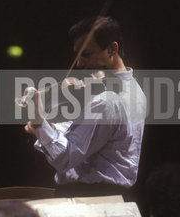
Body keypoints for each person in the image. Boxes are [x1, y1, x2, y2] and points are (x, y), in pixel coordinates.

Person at [23, 16, 146, 199]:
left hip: (90, 198)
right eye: (77, 56)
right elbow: (85, 131)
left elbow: (65, 157)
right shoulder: (136, 91)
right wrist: (52, 127)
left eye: (86, 54)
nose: (79, 63)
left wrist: (39, 122)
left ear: (112, 49)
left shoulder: (107, 101)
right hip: (114, 198)